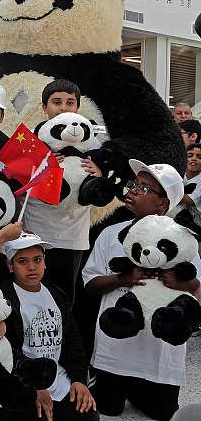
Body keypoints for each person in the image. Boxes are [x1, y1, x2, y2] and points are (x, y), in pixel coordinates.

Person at [83, 160, 200, 421]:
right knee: (106, 412)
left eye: (145, 188)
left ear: (163, 204)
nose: (134, 190)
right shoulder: (110, 235)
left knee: (160, 414)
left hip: (159, 360)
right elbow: (90, 284)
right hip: (112, 357)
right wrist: (122, 278)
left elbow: (197, 289)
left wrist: (180, 283)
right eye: (134, 184)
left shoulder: (183, 240)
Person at [0, 232, 99, 421]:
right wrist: (33, 388)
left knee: (88, 414)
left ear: (45, 262)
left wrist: (79, 380)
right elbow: (7, 351)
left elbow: (72, 340)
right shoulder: (4, 299)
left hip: (61, 381)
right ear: (10, 265)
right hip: (23, 383)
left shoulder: (56, 294)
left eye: (37, 259)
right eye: (22, 261)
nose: (31, 267)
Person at [22, 79, 101, 308]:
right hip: (36, 229)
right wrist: (40, 165)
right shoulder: (31, 139)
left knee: (65, 299)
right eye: (57, 102)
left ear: (77, 107)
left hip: (73, 234)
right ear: (44, 107)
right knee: (33, 294)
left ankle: (64, 342)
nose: (63, 107)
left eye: (70, 102)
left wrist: (100, 170)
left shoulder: (89, 139)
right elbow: (18, 179)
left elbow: (107, 171)